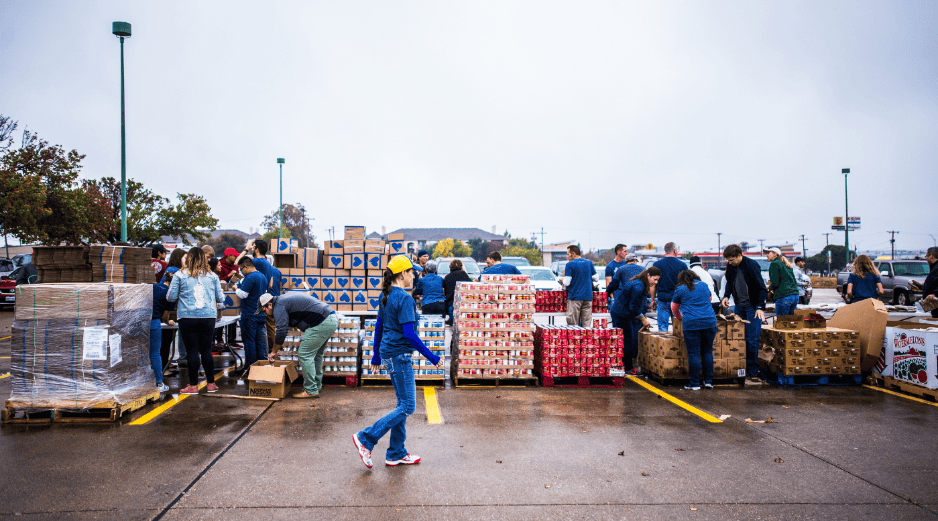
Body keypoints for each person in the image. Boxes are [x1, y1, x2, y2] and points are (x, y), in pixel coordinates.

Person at [354, 255, 441, 469]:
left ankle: (395, 453)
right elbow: (410, 335)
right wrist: (432, 357)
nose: (415, 275)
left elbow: (379, 327)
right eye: (412, 272)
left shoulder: (386, 295)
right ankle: (366, 438)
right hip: (399, 356)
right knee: (408, 405)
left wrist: (376, 355)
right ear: (403, 273)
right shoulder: (404, 298)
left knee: (402, 404)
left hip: (389, 354)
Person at [167, 247, 225, 395]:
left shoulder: (180, 275)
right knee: (206, 350)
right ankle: (211, 383)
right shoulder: (212, 276)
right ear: (204, 259)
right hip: (208, 317)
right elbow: (220, 299)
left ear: (189, 258)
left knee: (192, 351)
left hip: (187, 317)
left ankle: (193, 385)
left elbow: (171, 297)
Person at [263, 291, 338, 398]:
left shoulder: (278, 306)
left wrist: (274, 351)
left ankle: (311, 390)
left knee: (304, 354)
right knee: (316, 354)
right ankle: (316, 385)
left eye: (264, 310)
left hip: (321, 322)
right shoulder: (282, 300)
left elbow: (281, 331)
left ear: (269, 304)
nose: (265, 313)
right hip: (330, 319)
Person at [721, 244, 767, 384]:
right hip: (739, 306)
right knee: (738, 338)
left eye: (732, 260)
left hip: (752, 307)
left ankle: (753, 371)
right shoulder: (731, 267)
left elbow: (761, 288)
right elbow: (729, 282)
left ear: (739, 255)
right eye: (728, 261)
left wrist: (760, 307)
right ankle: (741, 369)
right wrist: (726, 296)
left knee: (751, 339)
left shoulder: (751, 266)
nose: (730, 262)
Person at [671, 270, 718, 390]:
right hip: (710, 322)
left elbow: (674, 307)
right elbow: (710, 298)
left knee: (694, 353)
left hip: (691, 323)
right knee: (707, 351)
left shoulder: (681, 289)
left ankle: (695, 383)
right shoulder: (704, 285)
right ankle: (708, 382)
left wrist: (679, 317)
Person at [609, 267, 660, 375]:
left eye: (657, 280)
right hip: (621, 314)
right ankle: (627, 367)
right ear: (648, 275)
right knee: (627, 340)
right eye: (654, 279)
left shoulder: (639, 283)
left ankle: (623, 365)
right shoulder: (638, 286)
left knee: (627, 339)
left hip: (623, 313)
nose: (655, 282)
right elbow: (633, 306)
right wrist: (643, 319)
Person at [236, 257, 269, 375]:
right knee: (258, 341)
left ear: (246, 267)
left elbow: (242, 294)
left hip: (249, 314)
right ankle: (259, 366)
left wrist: (236, 288)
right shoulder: (262, 276)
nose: (241, 272)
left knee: (249, 342)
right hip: (260, 315)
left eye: (241, 269)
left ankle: (248, 367)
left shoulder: (250, 277)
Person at [150, 271, 176, 392]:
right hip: (154, 322)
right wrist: (169, 322)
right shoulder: (170, 295)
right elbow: (165, 317)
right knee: (155, 354)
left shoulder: (153, 287)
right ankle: (159, 384)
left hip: (140, 321)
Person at [653, 242, 686, 331]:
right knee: (679, 327)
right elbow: (686, 284)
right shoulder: (683, 265)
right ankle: (678, 345)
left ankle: (664, 344)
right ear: (675, 251)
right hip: (678, 300)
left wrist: (652, 299)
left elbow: (653, 285)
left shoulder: (657, 265)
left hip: (663, 299)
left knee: (663, 327)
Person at [563, 245, 596, 326]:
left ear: (573, 254)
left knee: (573, 326)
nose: (567, 256)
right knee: (586, 325)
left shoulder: (570, 264)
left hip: (575, 298)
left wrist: (562, 280)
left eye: (568, 254)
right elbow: (596, 278)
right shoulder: (589, 262)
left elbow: (567, 282)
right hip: (587, 297)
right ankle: (585, 338)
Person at [765, 248, 799, 316]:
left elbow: (775, 283)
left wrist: (768, 287)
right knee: (791, 322)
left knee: (782, 323)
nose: (767, 255)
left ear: (775, 254)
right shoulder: (786, 264)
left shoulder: (774, 264)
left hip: (784, 296)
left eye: (768, 253)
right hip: (795, 296)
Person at [442, 258, 471, 325]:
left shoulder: (447, 277)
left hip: (451, 306)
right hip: (462, 305)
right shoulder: (464, 275)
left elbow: (444, 291)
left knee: (454, 326)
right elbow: (470, 285)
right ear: (461, 266)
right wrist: (464, 270)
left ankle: (450, 320)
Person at [921, 247, 938, 318]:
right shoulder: (934, 267)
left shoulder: (937, 268)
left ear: (931, 256)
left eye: (927, 256)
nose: (927, 258)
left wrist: (935, 293)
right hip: (934, 306)